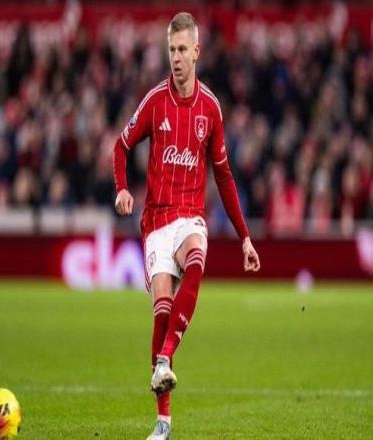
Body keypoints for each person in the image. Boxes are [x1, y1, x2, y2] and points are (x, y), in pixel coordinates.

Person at [112, 12, 261, 440]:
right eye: (171, 50)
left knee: (196, 255)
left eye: (182, 50)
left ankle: (165, 358)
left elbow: (225, 176)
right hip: (156, 220)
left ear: (197, 52)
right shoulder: (154, 102)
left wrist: (245, 237)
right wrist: (122, 189)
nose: (176, 58)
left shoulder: (210, 108)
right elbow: (120, 146)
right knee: (161, 310)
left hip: (190, 215)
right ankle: (163, 422)